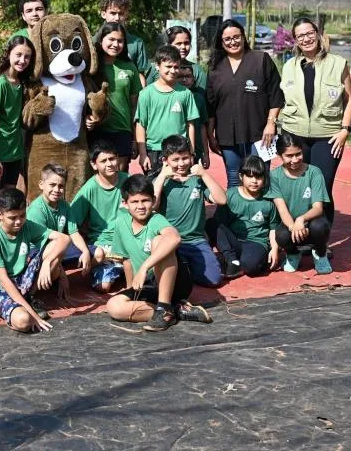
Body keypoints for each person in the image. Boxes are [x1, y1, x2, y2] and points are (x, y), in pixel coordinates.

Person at [105, 175, 212, 331]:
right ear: (125, 204)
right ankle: (173, 311)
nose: (140, 206)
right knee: (114, 307)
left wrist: (143, 268)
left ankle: (164, 306)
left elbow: (174, 238)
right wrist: (131, 288)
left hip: (175, 282)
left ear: (154, 201)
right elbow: (126, 260)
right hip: (149, 284)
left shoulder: (156, 219)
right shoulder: (121, 223)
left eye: (145, 201)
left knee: (160, 241)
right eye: (134, 202)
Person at [278, 17, 351, 226]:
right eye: (301, 35)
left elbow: (349, 100)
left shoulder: (338, 64)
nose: (306, 38)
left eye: (310, 33)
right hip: (295, 135)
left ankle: (321, 239)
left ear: (318, 34)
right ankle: (300, 234)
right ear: (295, 40)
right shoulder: (288, 67)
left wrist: (345, 129)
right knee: (299, 186)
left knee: (322, 185)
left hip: (328, 137)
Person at [206, 19, 283, 188]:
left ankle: (263, 214)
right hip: (227, 135)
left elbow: (276, 95)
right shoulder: (215, 68)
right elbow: (210, 105)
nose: (233, 42)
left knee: (259, 178)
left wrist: (271, 124)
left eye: (236, 37)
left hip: (260, 134)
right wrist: (211, 135)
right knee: (234, 180)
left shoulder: (261, 59)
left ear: (243, 37)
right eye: (228, 39)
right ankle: (235, 215)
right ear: (221, 41)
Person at [0, 188, 71, 333]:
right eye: (12, 218)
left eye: (22, 216)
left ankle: (30, 296)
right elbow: (4, 281)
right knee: (24, 321)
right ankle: (21, 308)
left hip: (21, 278)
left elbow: (64, 239)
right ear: (0, 215)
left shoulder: (26, 225)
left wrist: (47, 263)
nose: (18, 222)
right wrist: (32, 314)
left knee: (54, 246)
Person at [151, 135, 225, 287]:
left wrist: (204, 174)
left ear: (192, 157)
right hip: (171, 242)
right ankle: (183, 268)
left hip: (196, 241)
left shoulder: (197, 180)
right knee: (163, 280)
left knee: (214, 279)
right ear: (165, 161)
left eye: (185, 158)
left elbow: (221, 200)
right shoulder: (161, 182)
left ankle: (189, 268)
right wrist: (161, 176)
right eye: (175, 160)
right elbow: (151, 206)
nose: (181, 163)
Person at [265, 134, 333, 275]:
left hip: (311, 222)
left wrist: (301, 220)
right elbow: (282, 209)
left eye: (298, 154)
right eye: (289, 156)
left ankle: (320, 253)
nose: (295, 160)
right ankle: (293, 254)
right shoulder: (274, 176)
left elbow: (318, 208)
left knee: (320, 227)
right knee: (282, 235)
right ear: (279, 155)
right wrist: (293, 227)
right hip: (291, 224)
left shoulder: (314, 172)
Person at [69, 140, 129, 292]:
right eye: (104, 161)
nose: (109, 164)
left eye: (112, 158)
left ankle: (123, 269)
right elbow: (71, 222)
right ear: (94, 165)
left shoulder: (128, 181)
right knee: (103, 287)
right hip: (103, 244)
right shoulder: (88, 189)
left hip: (128, 239)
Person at [26, 163, 91, 301]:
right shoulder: (36, 210)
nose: (57, 189)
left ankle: (53, 277)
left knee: (97, 253)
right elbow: (43, 245)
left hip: (57, 250)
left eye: (61, 186)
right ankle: (30, 294)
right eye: (52, 185)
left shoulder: (65, 206)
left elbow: (73, 233)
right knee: (57, 251)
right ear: (41, 184)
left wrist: (85, 251)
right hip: (36, 253)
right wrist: (62, 274)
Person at [213, 155, 281, 278]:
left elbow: (273, 228)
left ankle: (240, 261)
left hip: (257, 242)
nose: (254, 181)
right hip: (234, 240)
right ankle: (231, 259)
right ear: (241, 176)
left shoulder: (269, 200)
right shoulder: (230, 195)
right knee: (212, 224)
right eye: (249, 176)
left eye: (258, 177)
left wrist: (275, 248)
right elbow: (221, 224)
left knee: (250, 267)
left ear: (264, 179)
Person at [135, 45, 199, 174]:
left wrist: (191, 152)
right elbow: (141, 125)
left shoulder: (185, 93)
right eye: (168, 67)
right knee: (155, 189)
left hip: (179, 150)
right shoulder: (146, 94)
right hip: (154, 149)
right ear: (157, 66)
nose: (173, 70)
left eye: (176, 67)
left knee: (178, 189)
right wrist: (143, 154)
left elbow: (190, 124)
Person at [92, 21, 142, 171]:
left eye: (120, 41)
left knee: (119, 177)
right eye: (111, 40)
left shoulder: (129, 67)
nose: (115, 44)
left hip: (122, 131)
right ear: (101, 41)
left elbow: (135, 106)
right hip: (97, 130)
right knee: (98, 178)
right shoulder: (92, 67)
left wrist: (135, 139)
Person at [0, 36, 34, 193]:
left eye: (27, 56)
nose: (22, 60)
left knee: (10, 199)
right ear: (8, 54)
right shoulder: (0, 83)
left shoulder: (22, 83)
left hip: (15, 153)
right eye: (18, 55)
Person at [99, 0, 150, 78]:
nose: (117, 18)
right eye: (113, 13)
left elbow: (140, 75)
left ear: (126, 15)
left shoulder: (136, 43)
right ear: (103, 14)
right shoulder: (93, 41)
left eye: (121, 13)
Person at [147, 25, 207, 91]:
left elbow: (202, 95)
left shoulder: (197, 70)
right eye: (179, 44)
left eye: (186, 43)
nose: (183, 47)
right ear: (168, 45)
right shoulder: (155, 68)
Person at [177, 60, 211, 167]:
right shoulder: (170, 97)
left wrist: (206, 153)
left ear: (193, 79)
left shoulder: (199, 99)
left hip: (196, 149)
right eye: (180, 76)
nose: (184, 79)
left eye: (188, 76)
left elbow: (202, 127)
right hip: (176, 149)